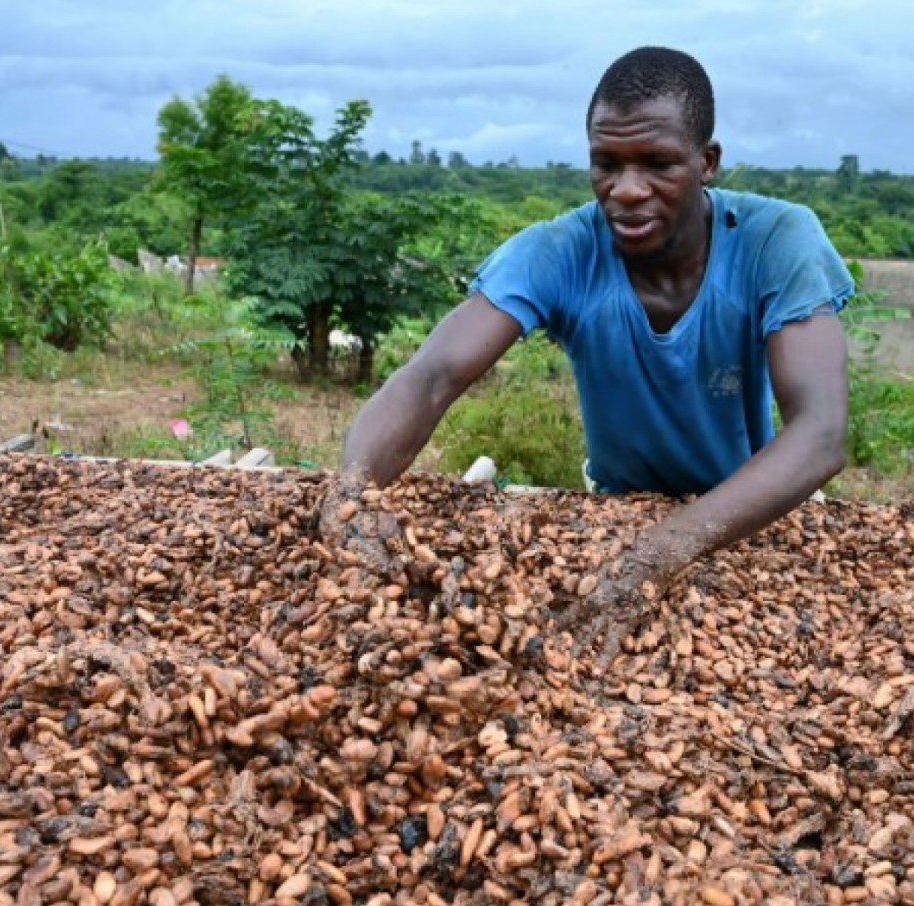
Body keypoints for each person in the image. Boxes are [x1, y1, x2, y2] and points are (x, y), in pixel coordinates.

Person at [321, 45, 854, 660]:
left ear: (706, 162)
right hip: (616, 515)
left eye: (657, 164)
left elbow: (820, 434)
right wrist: (351, 497)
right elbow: (432, 376)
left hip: (751, 519)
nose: (626, 191)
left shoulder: (776, 241)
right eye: (606, 164)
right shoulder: (560, 251)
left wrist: (658, 554)